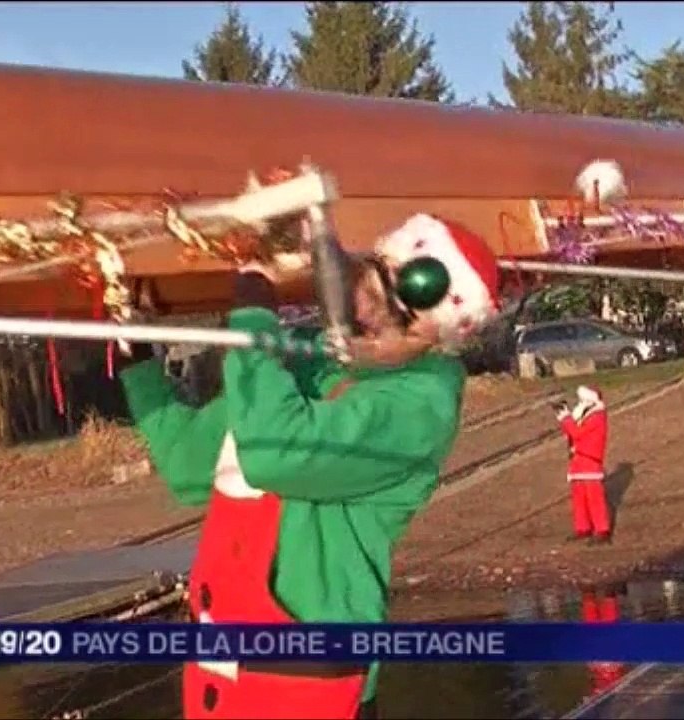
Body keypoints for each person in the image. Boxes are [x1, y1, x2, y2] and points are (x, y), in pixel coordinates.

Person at [117, 213, 502, 719]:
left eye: (394, 313)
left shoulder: (420, 405)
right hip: (224, 665)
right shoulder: (315, 360)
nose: (363, 314)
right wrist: (133, 350)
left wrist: (254, 315)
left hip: (306, 679)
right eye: (365, 287)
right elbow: (189, 464)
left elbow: (276, 449)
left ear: (438, 332)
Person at [556, 385, 612, 544]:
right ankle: (583, 527)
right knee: (578, 496)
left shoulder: (597, 416)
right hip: (579, 459)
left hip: (590, 458)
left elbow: (577, 433)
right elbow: (572, 431)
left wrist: (566, 418)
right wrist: (565, 418)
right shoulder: (585, 414)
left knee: (594, 497)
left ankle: (602, 529)